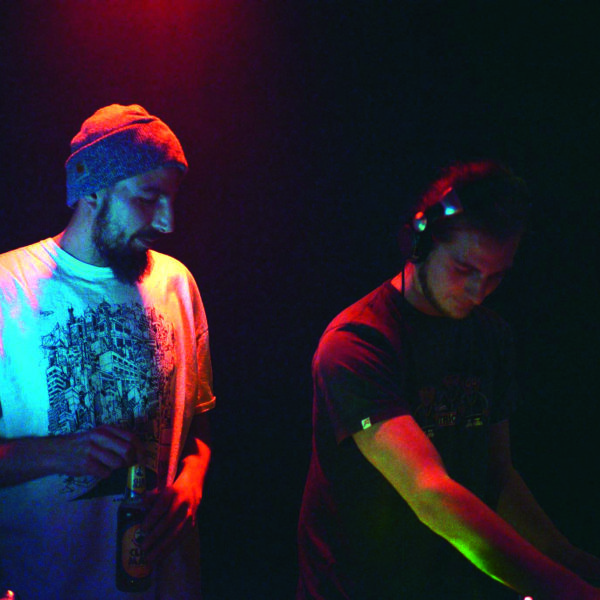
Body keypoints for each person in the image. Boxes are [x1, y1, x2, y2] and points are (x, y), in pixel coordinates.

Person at [297, 160, 600, 599]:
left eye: (495, 276)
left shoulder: (491, 336)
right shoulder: (356, 344)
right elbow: (432, 493)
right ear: (419, 244)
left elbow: (497, 476)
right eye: (464, 269)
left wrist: (568, 559)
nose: (479, 291)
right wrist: (567, 590)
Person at [0, 104, 216, 599]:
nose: (168, 222)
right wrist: (58, 452)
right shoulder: (7, 289)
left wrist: (192, 482)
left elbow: (198, 423)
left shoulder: (178, 284)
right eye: (149, 198)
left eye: (172, 200)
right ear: (91, 190)